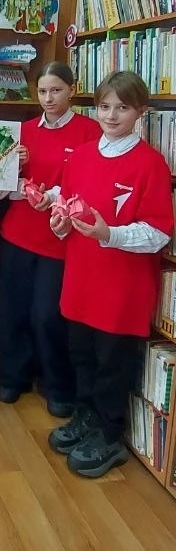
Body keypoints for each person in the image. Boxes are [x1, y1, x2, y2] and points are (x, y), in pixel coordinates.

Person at [49, 71, 173, 477]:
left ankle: (109, 433)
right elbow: (68, 208)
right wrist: (59, 223)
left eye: (122, 107)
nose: (112, 115)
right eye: (104, 106)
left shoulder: (151, 163)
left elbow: (158, 233)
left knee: (111, 363)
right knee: (81, 355)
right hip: (81, 279)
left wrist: (110, 234)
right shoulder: (81, 156)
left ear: (141, 112)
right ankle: (86, 418)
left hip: (122, 287)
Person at [0, 62, 101, 417]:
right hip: (17, 231)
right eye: (42, 91)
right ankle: (12, 376)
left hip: (59, 237)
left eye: (56, 90)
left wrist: (53, 196)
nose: (48, 98)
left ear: (72, 90)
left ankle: (56, 384)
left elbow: (90, 184)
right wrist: (18, 176)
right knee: (13, 309)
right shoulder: (22, 131)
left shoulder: (89, 131)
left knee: (48, 314)